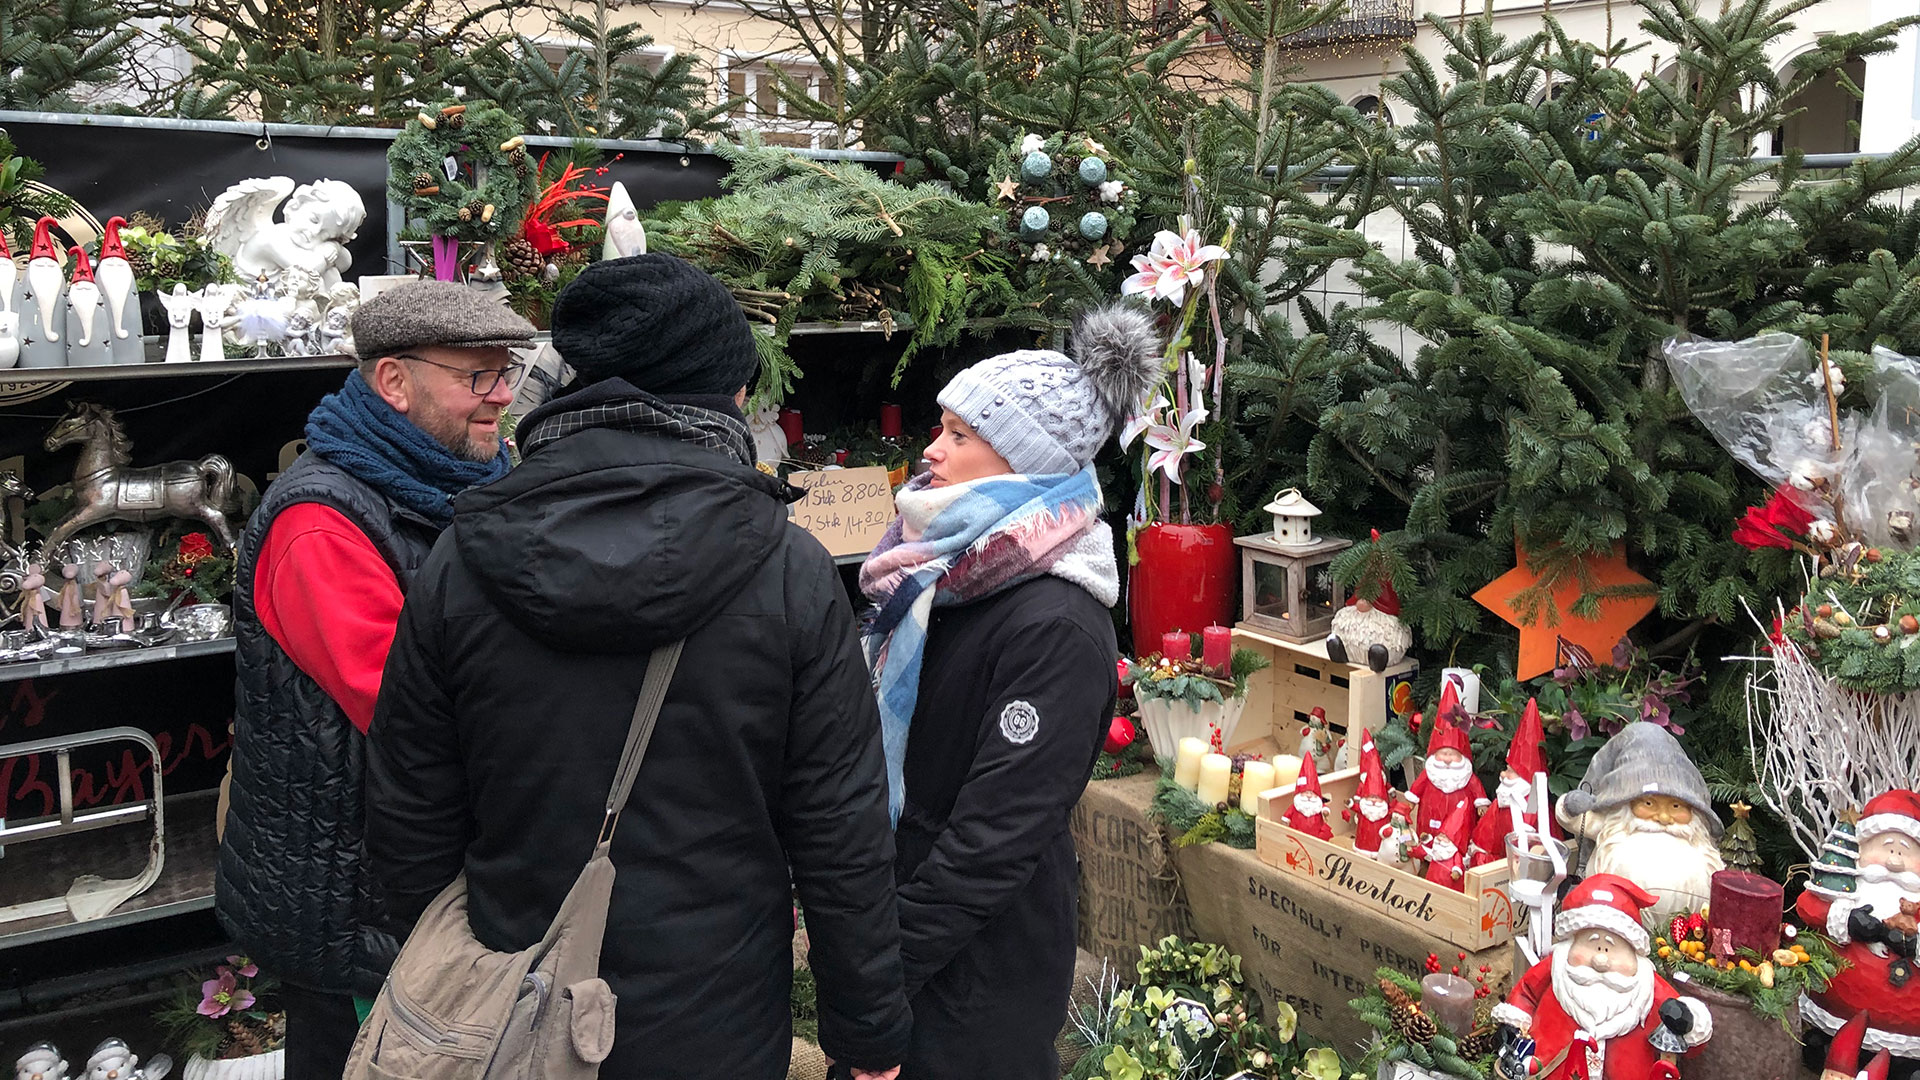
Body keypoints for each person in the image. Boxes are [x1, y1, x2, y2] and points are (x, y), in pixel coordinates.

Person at [364, 254, 911, 1080]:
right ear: (717, 392)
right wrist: (866, 1027)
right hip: (716, 1015)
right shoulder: (787, 568)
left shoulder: (462, 558)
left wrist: (458, 963)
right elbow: (840, 824)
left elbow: (410, 810)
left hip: (516, 1002)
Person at [215, 280, 535, 1080]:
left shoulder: (457, 486)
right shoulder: (320, 524)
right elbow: (406, 708)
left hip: (413, 886)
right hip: (356, 905)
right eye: (477, 378)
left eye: (508, 375)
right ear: (394, 382)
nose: (501, 398)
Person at [858, 305, 1159, 1079]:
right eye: (941, 427)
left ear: (1025, 460)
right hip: (908, 916)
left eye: (960, 436)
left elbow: (994, 840)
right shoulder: (944, 578)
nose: (933, 451)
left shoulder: (1054, 624)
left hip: (978, 969)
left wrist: (882, 980)